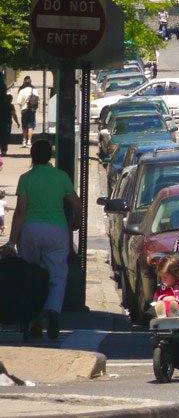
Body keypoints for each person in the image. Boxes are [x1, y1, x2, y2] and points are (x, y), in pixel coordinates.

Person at [0, 139, 81, 339]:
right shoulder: (61, 177)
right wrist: (75, 222)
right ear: (50, 156)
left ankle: (33, 319)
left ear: (32, 156)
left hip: (30, 230)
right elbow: (77, 203)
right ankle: (53, 311)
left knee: (30, 274)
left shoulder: (26, 178)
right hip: (56, 230)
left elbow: (20, 212)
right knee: (57, 274)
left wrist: (11, 241)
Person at [16, 77, 38, 148]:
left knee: (24, 126)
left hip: (24, 110)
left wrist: (21, 105)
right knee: (30, 126)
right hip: (32, 110)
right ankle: (29, 142)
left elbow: (19, 102)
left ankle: (24, 141)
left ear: (24, 83)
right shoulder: (34, 90)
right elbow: (37, 100)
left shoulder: (22, 91)